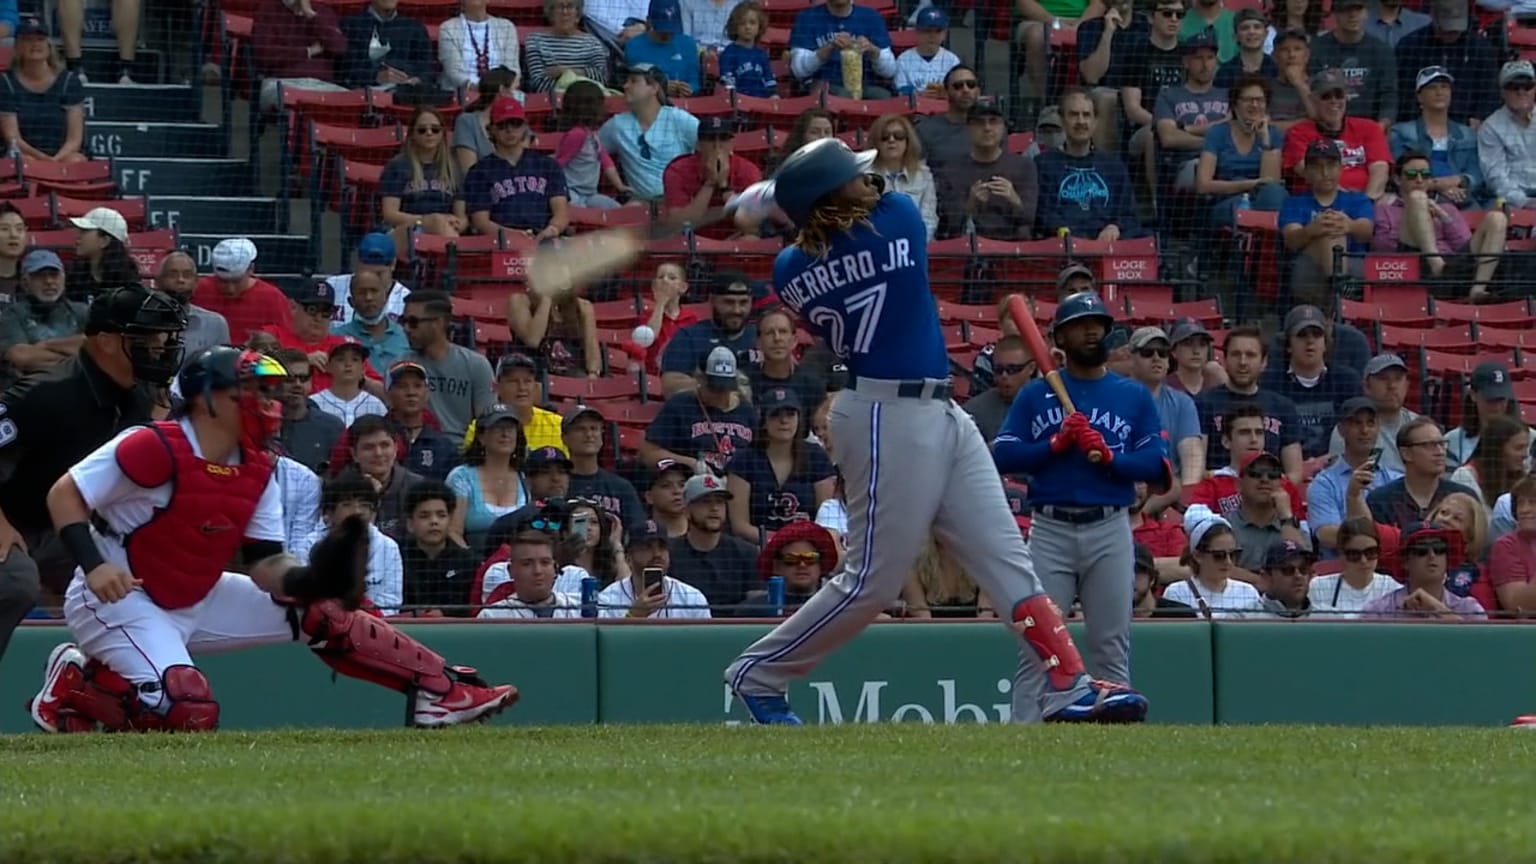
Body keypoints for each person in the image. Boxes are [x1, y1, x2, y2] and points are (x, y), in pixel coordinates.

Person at [722, 138, 1148, 725]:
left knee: (1007, 563)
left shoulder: (788, 267)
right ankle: (759, 674)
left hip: (935, 411)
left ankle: (1068, 685)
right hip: (884, 416)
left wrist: (772, 199)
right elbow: (871, 200)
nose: (868, 180)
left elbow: (815, 226)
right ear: (831, 198)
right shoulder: (894, 219)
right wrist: (775, 197)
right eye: (852, 177)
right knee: (872, 581)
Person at [25, 346, 519, 733]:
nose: (269, 402)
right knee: (188, 707)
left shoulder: (259, 466)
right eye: (253, 390)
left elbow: (265, 564)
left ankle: (441, 690)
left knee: (321, 610)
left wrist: (315, 579)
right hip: (118, 598)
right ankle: (78, 688)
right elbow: (64, 495)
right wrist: (94, 565)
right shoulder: (152, 445)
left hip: (196, 592)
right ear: (209, 397)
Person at [0, 286, 185, 670]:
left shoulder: (142, 397)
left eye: (164, 338)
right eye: (147, 338)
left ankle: (96, 688)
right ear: (105, 341)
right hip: (15, 521)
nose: (160, 348)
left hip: (72, 530)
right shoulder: (46, 393)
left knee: (150, 580)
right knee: (15, 582)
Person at [995, 291, 1173, 685]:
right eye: (1079, 325)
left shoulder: (1132, 395)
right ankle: (1026, 737)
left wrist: (1111, 458)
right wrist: (1054, 446)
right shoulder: (1034, 395)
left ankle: (1114, 731)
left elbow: (1157, 466)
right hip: (1050, 528)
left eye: (1097, 324)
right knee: (1038, 645)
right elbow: (1003, 454)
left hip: (1109, 526)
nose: (1091, 331)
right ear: (1059, 338)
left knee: (1110, 644)